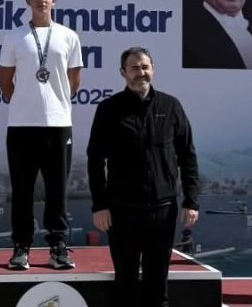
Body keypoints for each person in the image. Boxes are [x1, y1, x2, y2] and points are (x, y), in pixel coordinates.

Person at [88, 47, 199, 307]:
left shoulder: (171, 106)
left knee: (157, 282)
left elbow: (188, 156)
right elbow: (95, 160)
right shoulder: (109, 109)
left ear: (153, 69)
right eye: (135, 68)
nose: (141, 72)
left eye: (145, 66)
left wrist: (191, 201)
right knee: (125, 281)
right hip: (122, 210)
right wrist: (100, 205)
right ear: (123, 72)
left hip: (162, 209)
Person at [0, 0, 84, 270]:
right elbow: (4, 81)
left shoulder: (69, 36)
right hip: (21, 127)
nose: (42, 0)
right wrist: (26, 103)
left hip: (59, 126)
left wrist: (53, 103)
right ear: (28, 1)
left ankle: (58, 247)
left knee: (57, 190)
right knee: (22, 190)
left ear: (54, 1)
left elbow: (73, 82)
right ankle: (21, 247)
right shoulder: (14, 37)